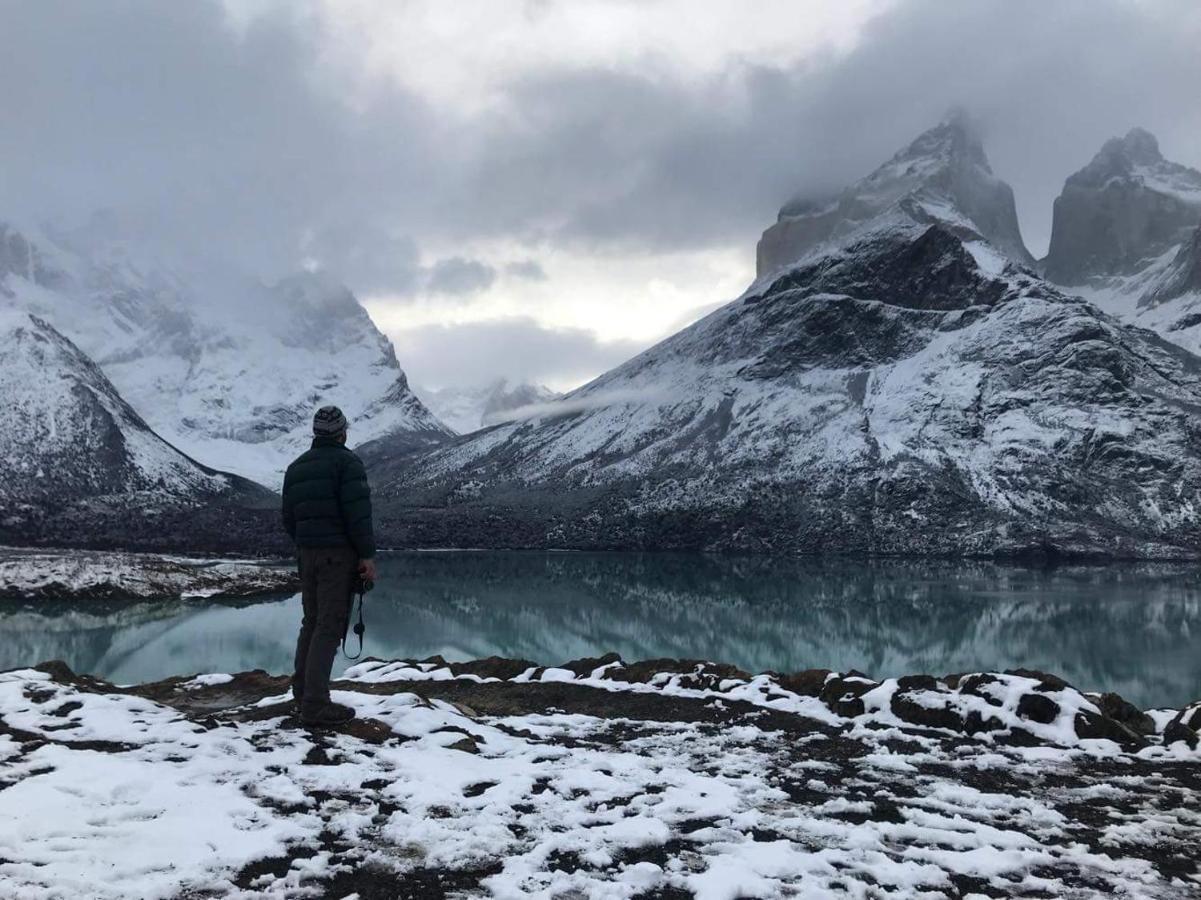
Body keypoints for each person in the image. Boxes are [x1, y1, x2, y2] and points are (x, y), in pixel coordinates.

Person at [281, 405, 377, 727]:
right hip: (338, 556)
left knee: (311, 622)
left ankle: (302, 692)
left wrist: (307, 544)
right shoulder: (347, 463)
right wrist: (366, 556)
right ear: (342, 432)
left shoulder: (296, 467)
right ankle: (316, 705)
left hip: (306, 555)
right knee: (330, 626)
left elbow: (288, 519)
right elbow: (358, 516)